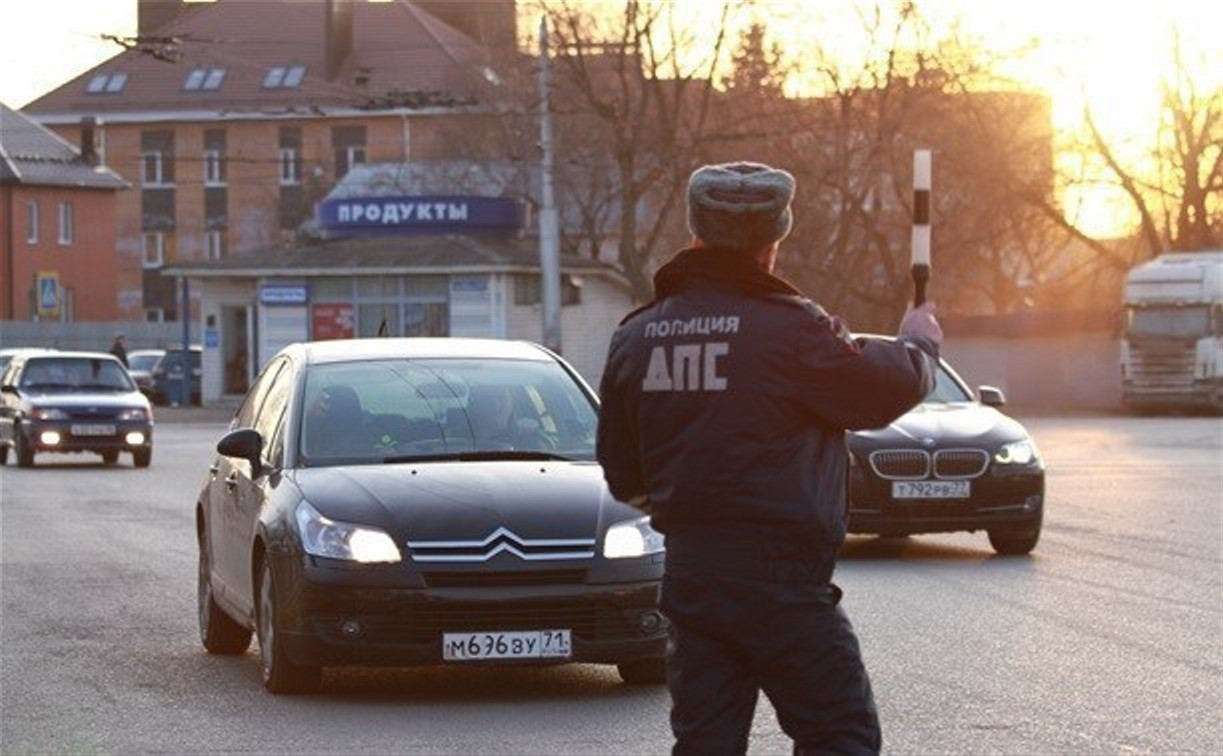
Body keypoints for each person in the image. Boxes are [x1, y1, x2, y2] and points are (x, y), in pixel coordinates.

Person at [596, 161, 943, 755]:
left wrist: (695, 516)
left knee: (706, 744)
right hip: (781, 582)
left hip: (694, 577)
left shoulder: (638, 336)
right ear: (772, 244)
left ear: (695, 233)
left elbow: (622, 474)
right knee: (840, 736)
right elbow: (882, 389)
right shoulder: (791, 330)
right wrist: (919, 341)